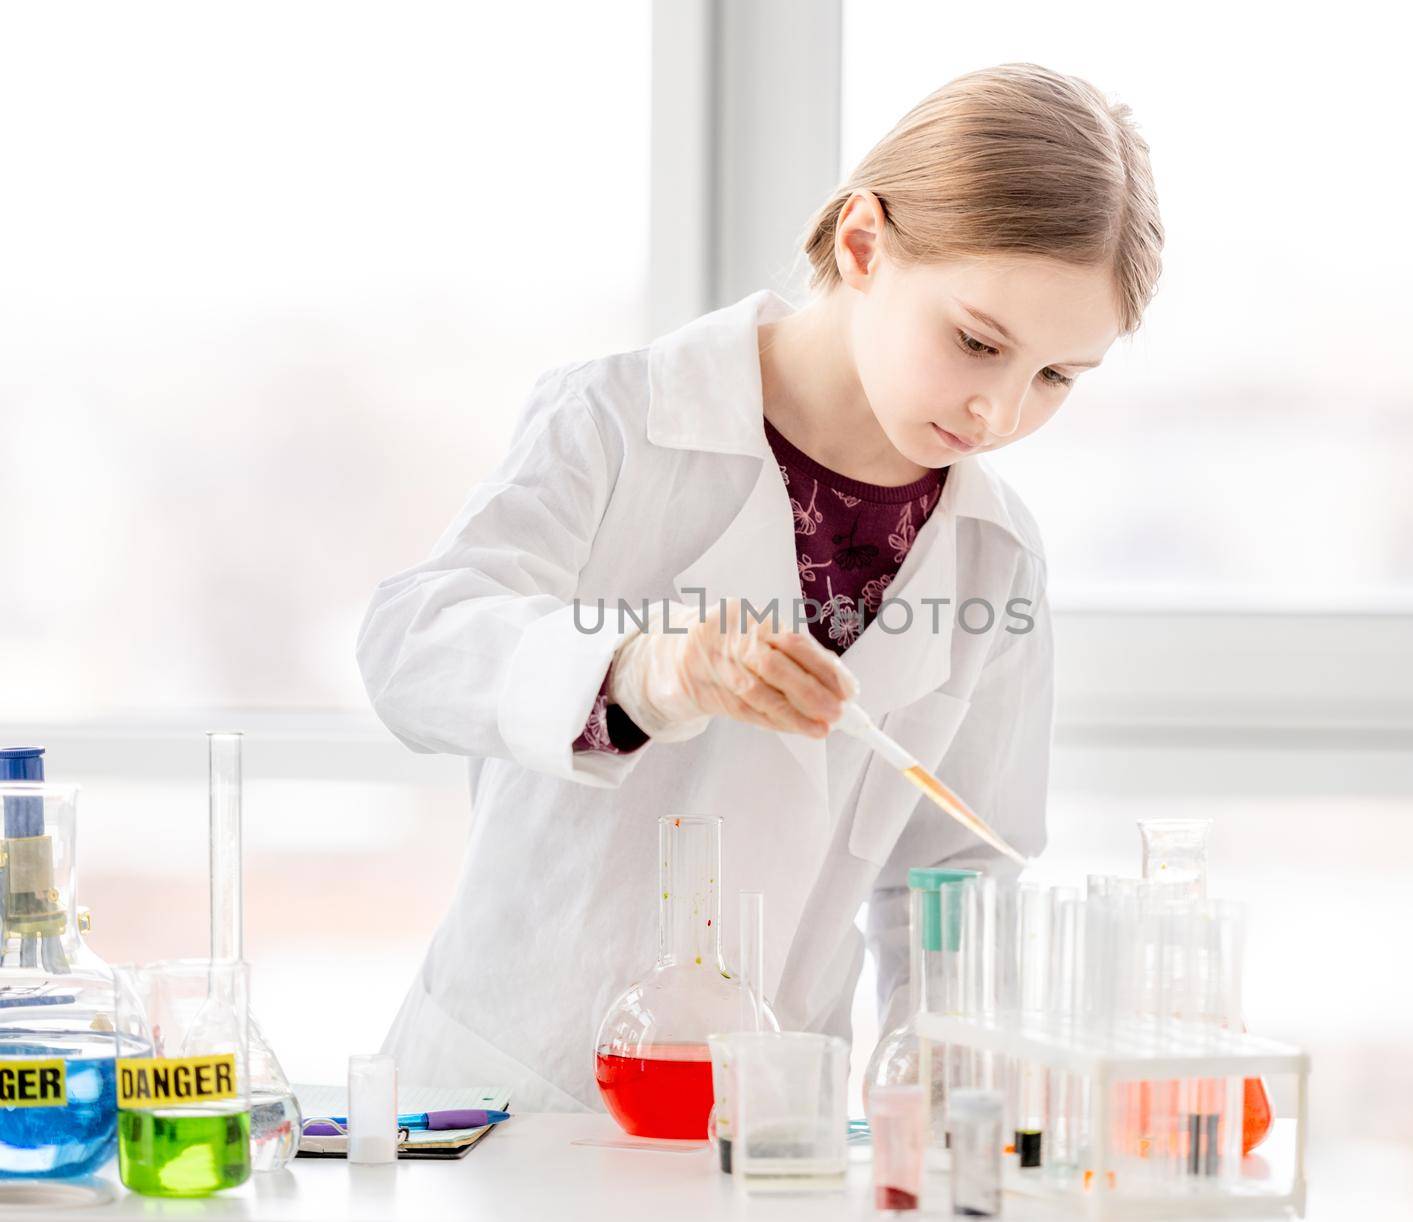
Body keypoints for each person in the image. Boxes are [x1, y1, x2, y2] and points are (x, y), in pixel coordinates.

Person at [357, 63, 1164, 1109]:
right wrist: (643, 671)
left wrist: (946, 1098)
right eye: (976, 342)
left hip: (771, 1119)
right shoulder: (617, 420)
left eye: (1056, 376)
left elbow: (958, 872)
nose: (998, 412)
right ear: (863, 245)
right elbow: (411, 646)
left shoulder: (993, 553)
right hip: (515, 1094)